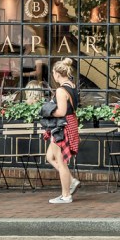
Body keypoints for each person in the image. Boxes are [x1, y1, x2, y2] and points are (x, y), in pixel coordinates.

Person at [44, 58, 81, 204]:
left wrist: (47, 112)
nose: (53, 76)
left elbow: (61, 111)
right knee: (50, 157)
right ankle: (71, 181)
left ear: (57, 74)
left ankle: (66, 195)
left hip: (61, 126)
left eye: (53, 73)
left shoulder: (60, 90)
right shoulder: (72, 86)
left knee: (61, 161)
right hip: (70, 124)